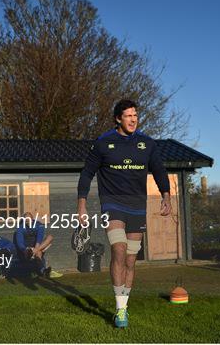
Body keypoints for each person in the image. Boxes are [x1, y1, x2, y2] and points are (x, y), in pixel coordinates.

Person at [76, 99, 171, 328]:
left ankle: (124, 305)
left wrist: (166, 196)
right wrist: (82, 205)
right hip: (112, 204)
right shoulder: (103, 143)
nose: (133, 119)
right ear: (118, 118)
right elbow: (87, 174)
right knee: (118, 250)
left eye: (135, 115)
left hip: (138, 207)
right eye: (128, 116)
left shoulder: (147, 144)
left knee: (130, 259)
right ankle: (120, 311)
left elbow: (158, 170)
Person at [14, 212, 63, 278]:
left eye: (29, 219)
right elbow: (20, 244)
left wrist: (36, 249)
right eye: (26, 220)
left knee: (50, 237)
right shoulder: (20, 228)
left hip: (37, 246)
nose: (27, 221)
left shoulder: (38, 225)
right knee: (38, 252)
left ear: (32, 219)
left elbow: (39, 238)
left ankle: (42, 269)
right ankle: (43, 271)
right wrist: (26, 250)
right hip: (27, 249)